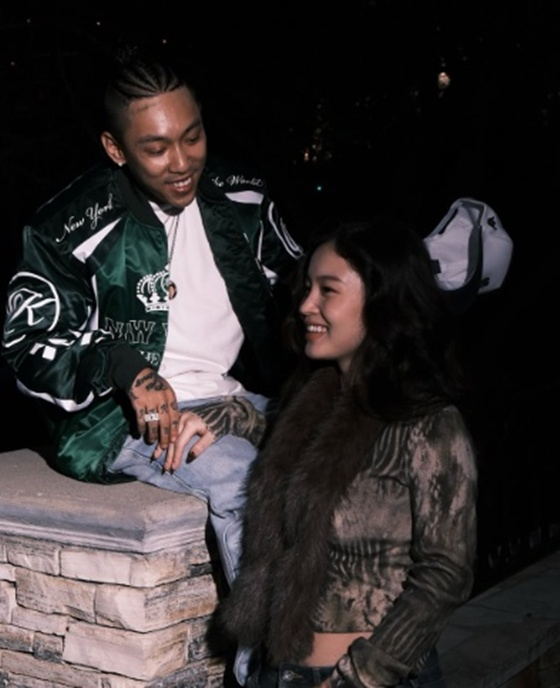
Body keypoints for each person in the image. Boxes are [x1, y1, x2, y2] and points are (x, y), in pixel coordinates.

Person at [1, 52, 302, 586]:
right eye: (157, 149)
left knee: (365, 450)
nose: (182, 162)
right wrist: (124, 366)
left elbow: (306, 297)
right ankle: (276, 641)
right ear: (115, 149)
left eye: (193, 137)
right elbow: (27, 346)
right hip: (120, 421)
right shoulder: (68, 226)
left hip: (232, 398)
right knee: (248, 483)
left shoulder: (242, 200)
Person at [219, 217, 478, 687]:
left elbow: (447, 572)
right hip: (277, 673)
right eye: (307, 288)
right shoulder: (309, 403)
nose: (305, 305)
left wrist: (360, 675)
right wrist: (221, 418)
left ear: (381, 302)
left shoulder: (429, 424)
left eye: (327, 290)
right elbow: (275, 444)